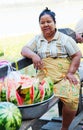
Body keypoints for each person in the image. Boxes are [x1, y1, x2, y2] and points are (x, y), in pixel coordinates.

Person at [21, 8, 82, 130]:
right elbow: (24, 49)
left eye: (49, 21)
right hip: (45, 78)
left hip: (64, 76)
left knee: (70, 99)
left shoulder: (64, 39)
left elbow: (77, 55)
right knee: (30, 96)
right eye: (42, 23)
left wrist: (70, 73)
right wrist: (33, 55)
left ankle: (64, 128)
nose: (45, 25)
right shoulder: (38, 39)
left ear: (54, 23)